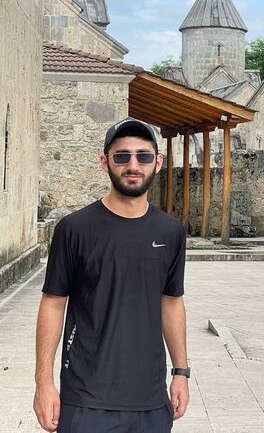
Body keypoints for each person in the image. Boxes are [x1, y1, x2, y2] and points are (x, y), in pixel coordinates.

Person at [34, 117, 189, 433]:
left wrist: (181, 372)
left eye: (143, 156)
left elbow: (171, 302)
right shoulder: (74, 229)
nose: (133, 165)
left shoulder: (171, 232)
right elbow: (53, 304)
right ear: (105, 162)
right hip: (85, 400)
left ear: (158, 163)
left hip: (150, 402)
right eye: (121, 156)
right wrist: (43, 382)